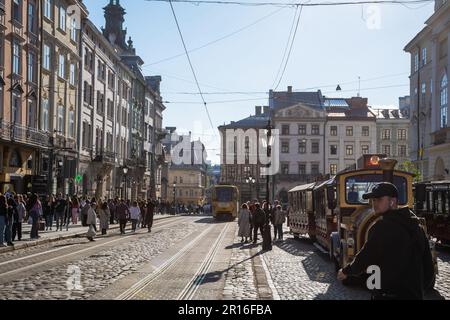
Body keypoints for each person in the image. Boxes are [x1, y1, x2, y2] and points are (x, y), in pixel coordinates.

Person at [337, 182, 435, 300]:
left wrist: (346, 271)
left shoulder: (381, 227)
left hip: (388, 295)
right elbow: (428, 269)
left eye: (378, 199)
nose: (374, 204)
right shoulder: (416, 227)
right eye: (373, 200)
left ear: (392, 201)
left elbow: (366, 256)